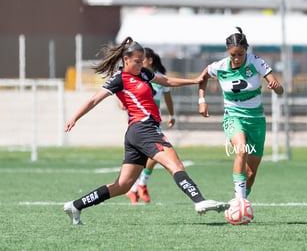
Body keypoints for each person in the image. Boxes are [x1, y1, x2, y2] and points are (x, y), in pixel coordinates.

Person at [63, 37, 229, 225]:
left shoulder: (142, 74)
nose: (140, 64)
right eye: (136, 61)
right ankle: (200, 201)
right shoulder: (119, 79)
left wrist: (195, 81)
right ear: (126, 60)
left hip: (137, 132)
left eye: (142, 60)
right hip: (144, 129)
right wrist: (74, 118)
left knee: (122, 186)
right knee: (175, 165)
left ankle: (75, 206)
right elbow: (94, 100)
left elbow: (165, 81)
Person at [198, 27, 284, 199]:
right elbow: (203, 78)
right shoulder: (219, 66)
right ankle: (238, 201)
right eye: (233, 55)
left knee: (251, 173)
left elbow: (280, 89)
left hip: (256, 120)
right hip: (233, 116)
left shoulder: (256, 62)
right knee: (242, 150)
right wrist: (202, 100)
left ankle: (242, 199)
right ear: (228, 52)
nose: (237, 58)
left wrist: (276, 87)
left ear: (246, 50)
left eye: (240, 54)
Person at [126, 47, 175, 204]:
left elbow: (168, 97)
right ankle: (139, 186)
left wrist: (172, 115)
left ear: (150, 60)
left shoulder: (160, 78)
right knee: (149, 155)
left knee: (154, 155)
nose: (140, 62)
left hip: (154, 122)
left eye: (142, 59)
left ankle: (137, 186)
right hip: (138, 122)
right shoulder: (137, 77)